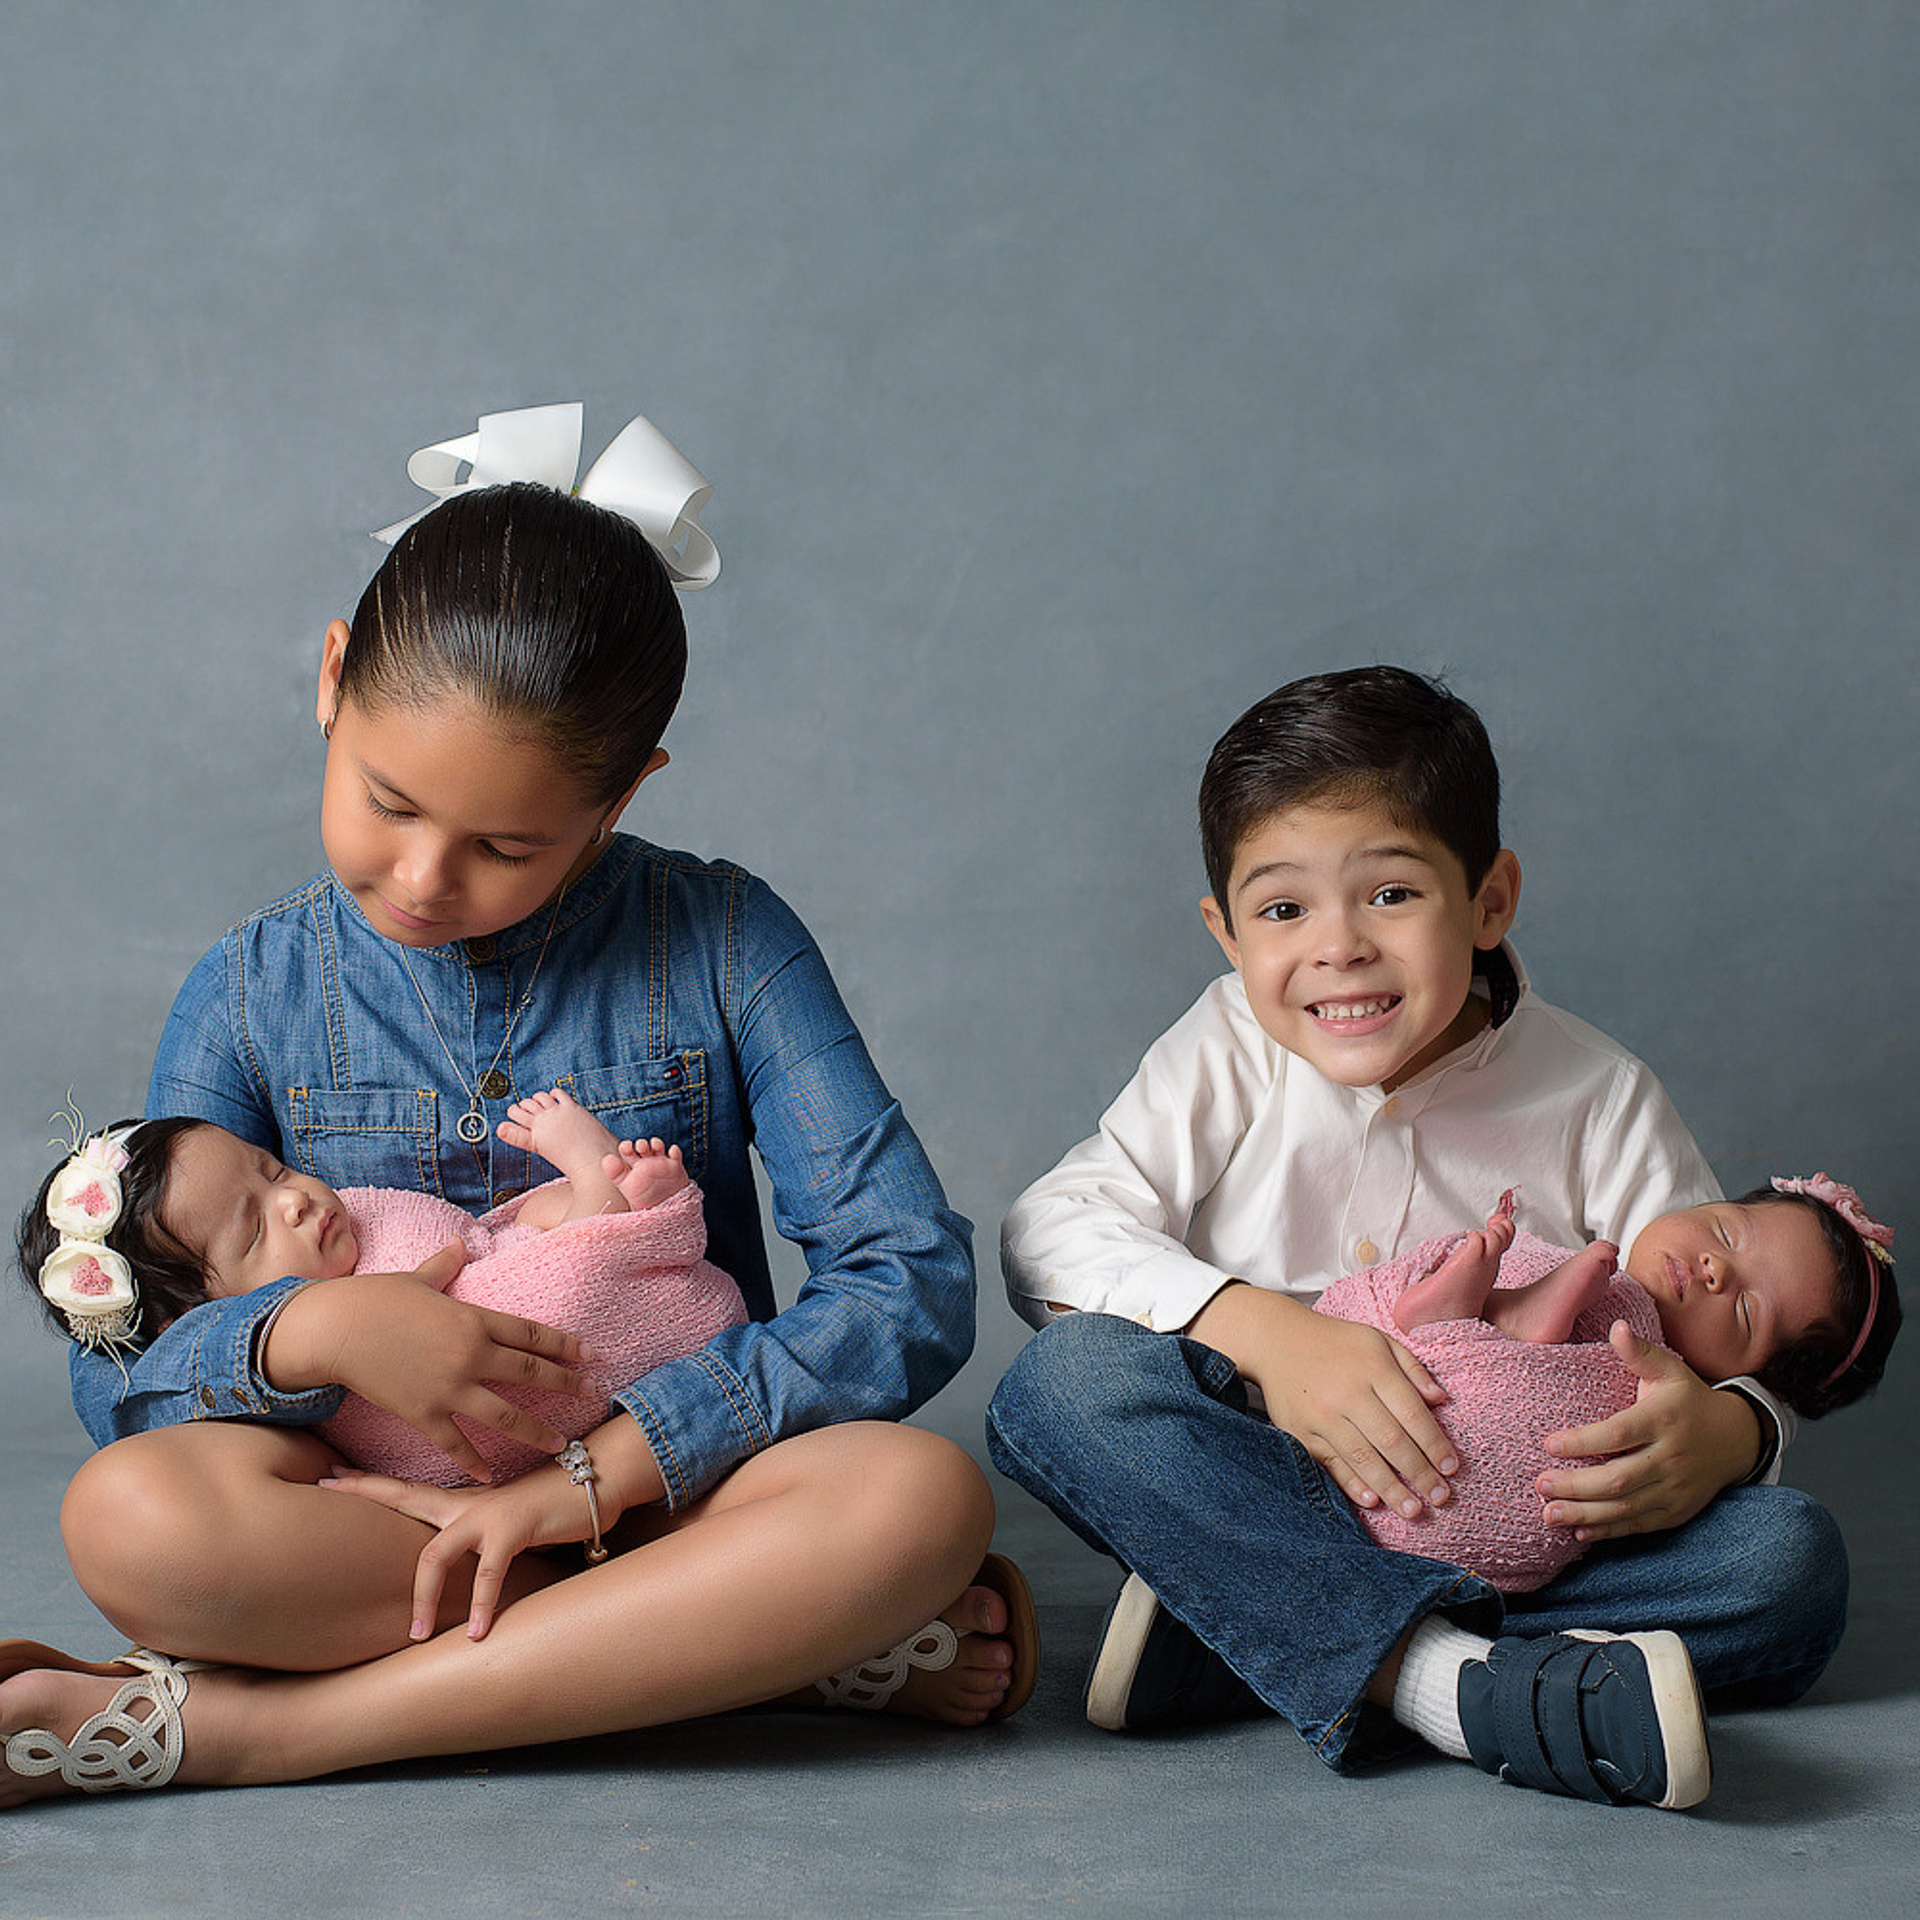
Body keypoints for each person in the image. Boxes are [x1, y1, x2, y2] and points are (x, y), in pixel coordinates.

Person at [1, 407, 1035, 1810]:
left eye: (506, 846)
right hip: (389, 1520)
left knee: (918, 1498)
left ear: (618, 799)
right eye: (387, 803)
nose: (426, 876)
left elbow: (905, 1273)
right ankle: (733, 1649)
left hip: (673, 1493)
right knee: (135, 1521)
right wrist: (314, 1328)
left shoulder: (727, 941)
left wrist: (612, 1469)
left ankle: (261, 1733)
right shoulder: (248, 992)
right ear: (329, 681)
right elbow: (119, 1369)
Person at [987, 665, 1848, 1811]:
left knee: (1787, 1566)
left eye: (1390, 895)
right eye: (1283, 910)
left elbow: (1710, 1314)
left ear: (1490, 900)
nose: (1338, 949)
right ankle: (1451, 1681)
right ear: (1226, 933)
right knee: (1063, 1385)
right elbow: (1049, 1228)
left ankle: (1248, 1629)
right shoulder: (1228, 1048)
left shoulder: (1598, 1096)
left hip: (1511, 1519)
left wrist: (1731, 1435)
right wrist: (1270, 1338)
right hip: (1254, 1471)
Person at [18, 1088, 753, 1491]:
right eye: (252, 1233)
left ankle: (606, 1203)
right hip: (431, 1495)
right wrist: (301, 1335)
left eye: (273, 1171)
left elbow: (493, 1251)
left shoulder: (364, 1222)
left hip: (684, 1430)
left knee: (867, 1488)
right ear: (202, 1313)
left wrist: (553, 1218)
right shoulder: (245, 985)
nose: (296, 1200)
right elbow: (121, 1391)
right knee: (129, 1509)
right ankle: (611, 1205)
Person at [1313, 1180, 1897, 1591]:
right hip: (1306, 1412)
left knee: (1789, 1550)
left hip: (1474, 1535)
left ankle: (1411, 1643)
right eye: (1723, 1230)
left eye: (1746, 1311)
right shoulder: (1612, 1267)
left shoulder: (1674, 1387)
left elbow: (1772, 1409)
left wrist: (1735, 1427)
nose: (1716, 1268)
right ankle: (1461, 1665)